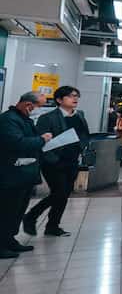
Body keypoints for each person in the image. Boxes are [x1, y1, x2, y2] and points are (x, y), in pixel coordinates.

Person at [25, 86, 90, 238]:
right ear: (59, 100)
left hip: (72, 161)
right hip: (53, 162)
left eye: (76, 96)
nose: (75, 99)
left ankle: (53, 226)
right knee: (59, 192)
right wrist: (54, 159)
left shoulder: (79, 116)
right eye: (70, 96)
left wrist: (81, 148)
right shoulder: (47, 118)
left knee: (64, 194)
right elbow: (41, 142)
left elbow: (84, 135)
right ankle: (31, 216)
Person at [0, 92, 51, 257]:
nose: (40, 110)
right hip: (11, 175)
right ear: (29, 105)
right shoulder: (9, 120)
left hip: (24, 174)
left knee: (17, 209)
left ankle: (10, 240)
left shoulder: (24, 120)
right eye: (40, 106)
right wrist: (42, 139)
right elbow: (17, 143)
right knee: (7, 210)